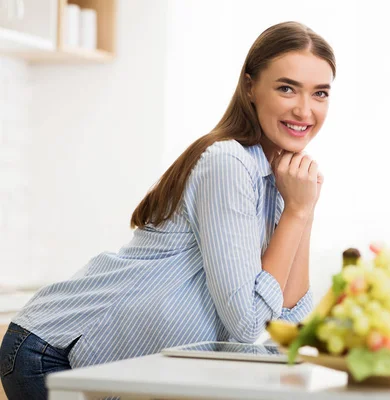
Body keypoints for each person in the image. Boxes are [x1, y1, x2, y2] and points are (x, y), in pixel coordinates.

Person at [0, 21, 335, 400]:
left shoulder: (280, 179)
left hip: (111, 366)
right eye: (287, 88)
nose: (305, 109)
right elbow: (246, 323)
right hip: (52, 352)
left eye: (320, 93)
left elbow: (285, 323)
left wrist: (301, 209)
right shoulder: (228, 162)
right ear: (250, 87)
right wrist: (296, 213)